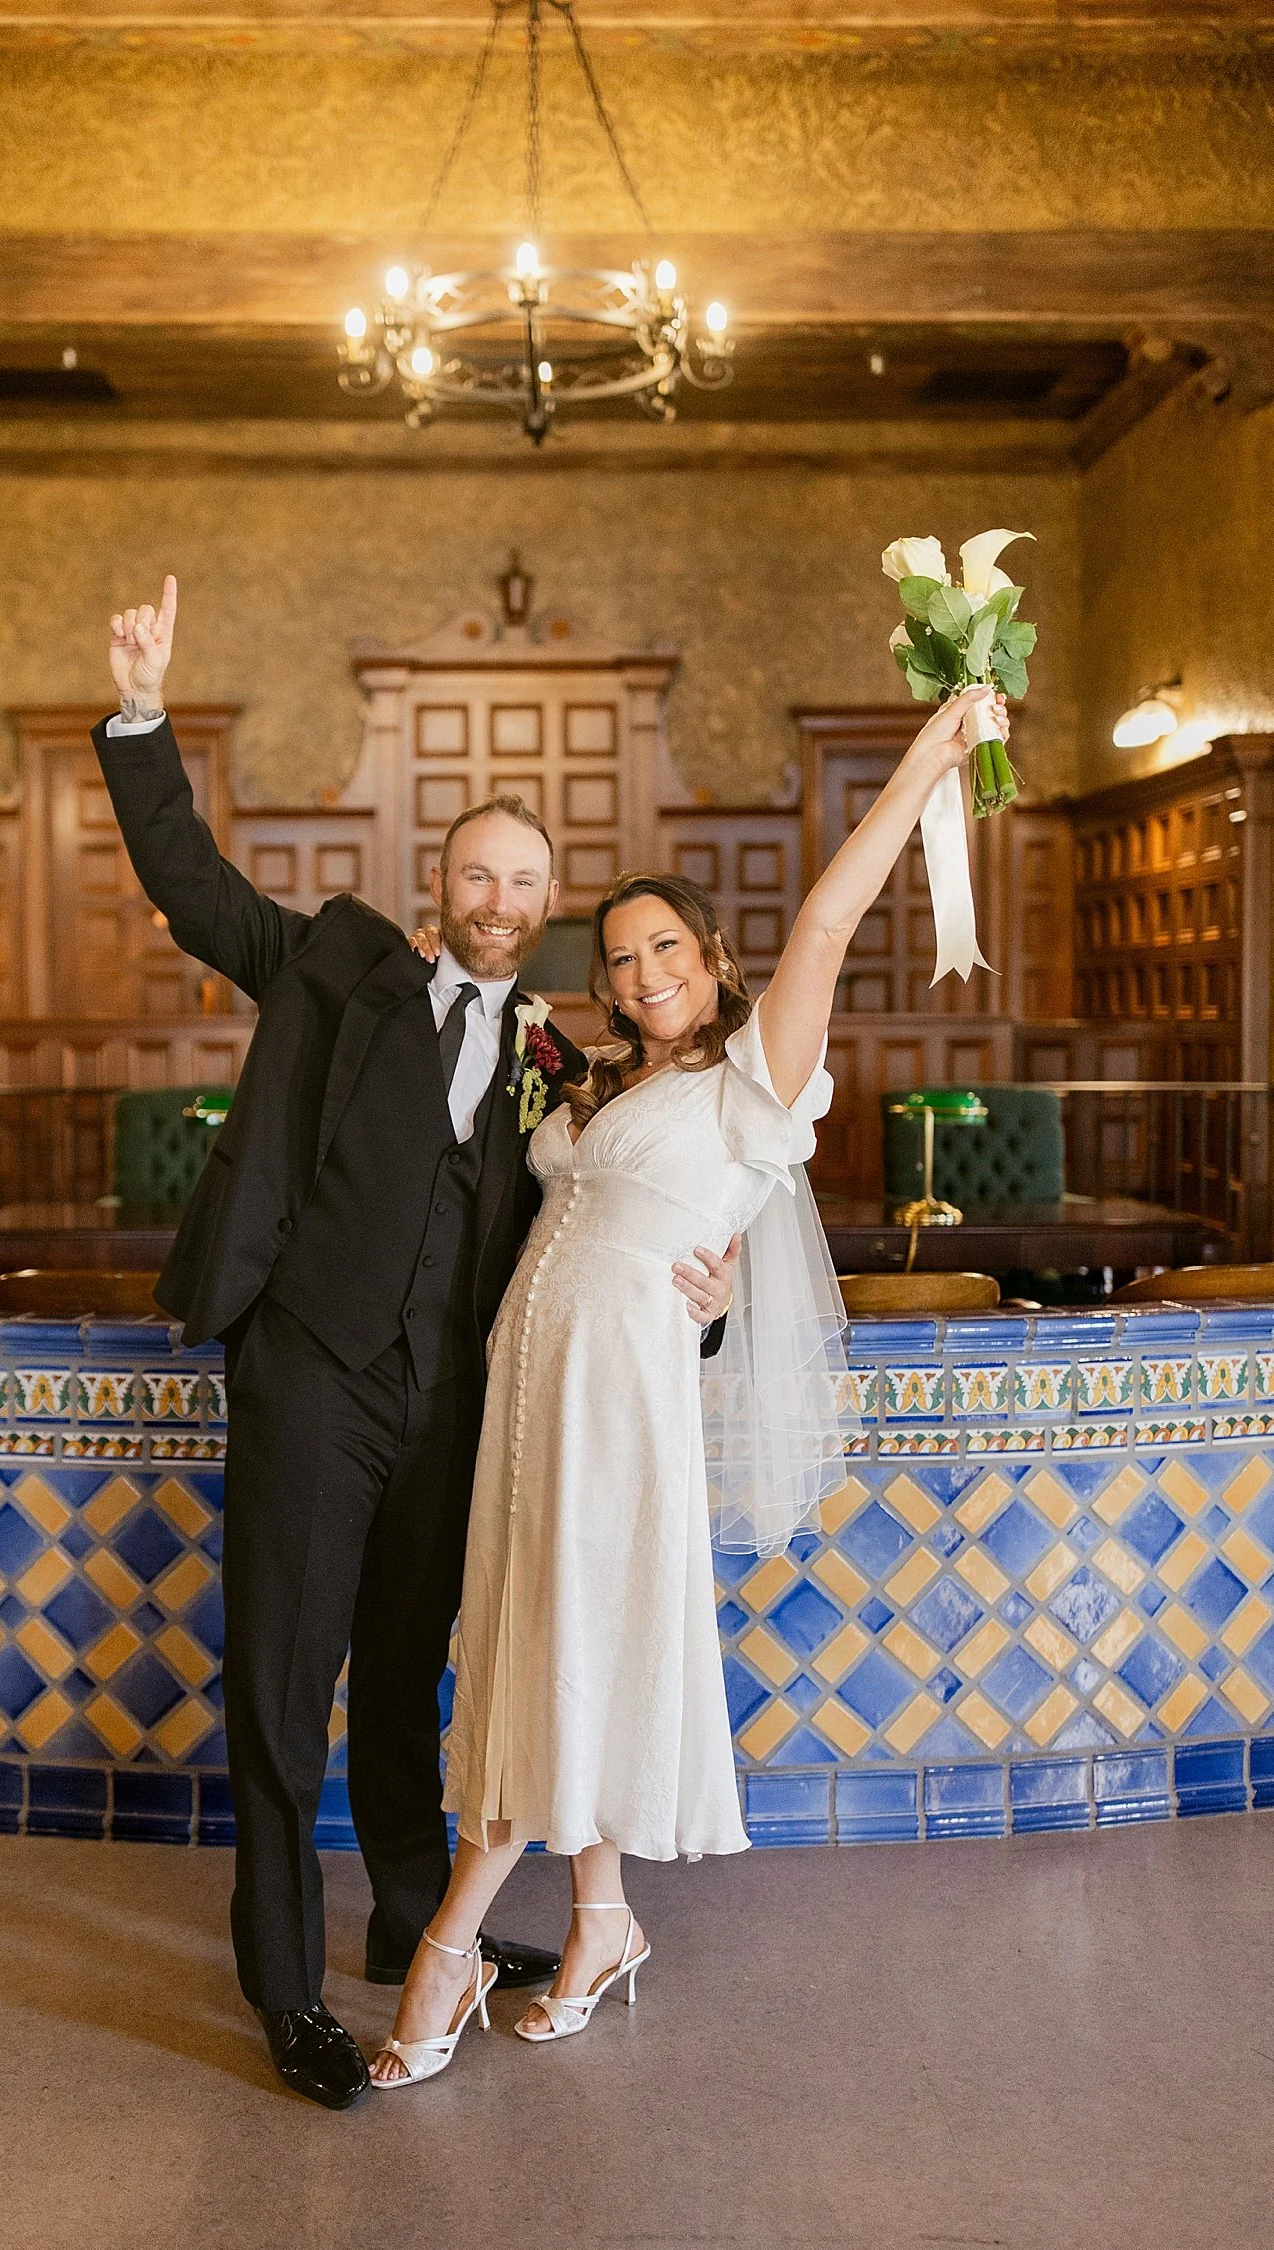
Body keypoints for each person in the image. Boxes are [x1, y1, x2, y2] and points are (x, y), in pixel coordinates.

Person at [93, 576, 742, 2110]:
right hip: (313, 1376)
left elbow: (621, 1231)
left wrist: (702, 1316)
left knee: (402, 1682)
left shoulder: (563, 1066)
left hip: (453, 1408)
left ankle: (403, 1923)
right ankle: (281, 1985)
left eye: (526, 880)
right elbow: (195, 891)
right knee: (278, 1680)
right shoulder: (335, 961)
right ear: (440, 882)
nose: (500, 896)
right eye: (477, 872)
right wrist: (139, 713)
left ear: (548, 903)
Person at [369, 681, 1008, 2087]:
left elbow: (833, 917)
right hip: (530, 1407)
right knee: (551, 1641)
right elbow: (486, 1011)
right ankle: (600, 1920)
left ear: (714, 957)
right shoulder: (600, 1079)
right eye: (621, 952)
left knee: (557, 1652)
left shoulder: (754, 1078)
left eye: (667, 943)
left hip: (618, 1410)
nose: (645, 966)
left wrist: (927, 756)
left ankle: (450, 1947)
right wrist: (436, 948)